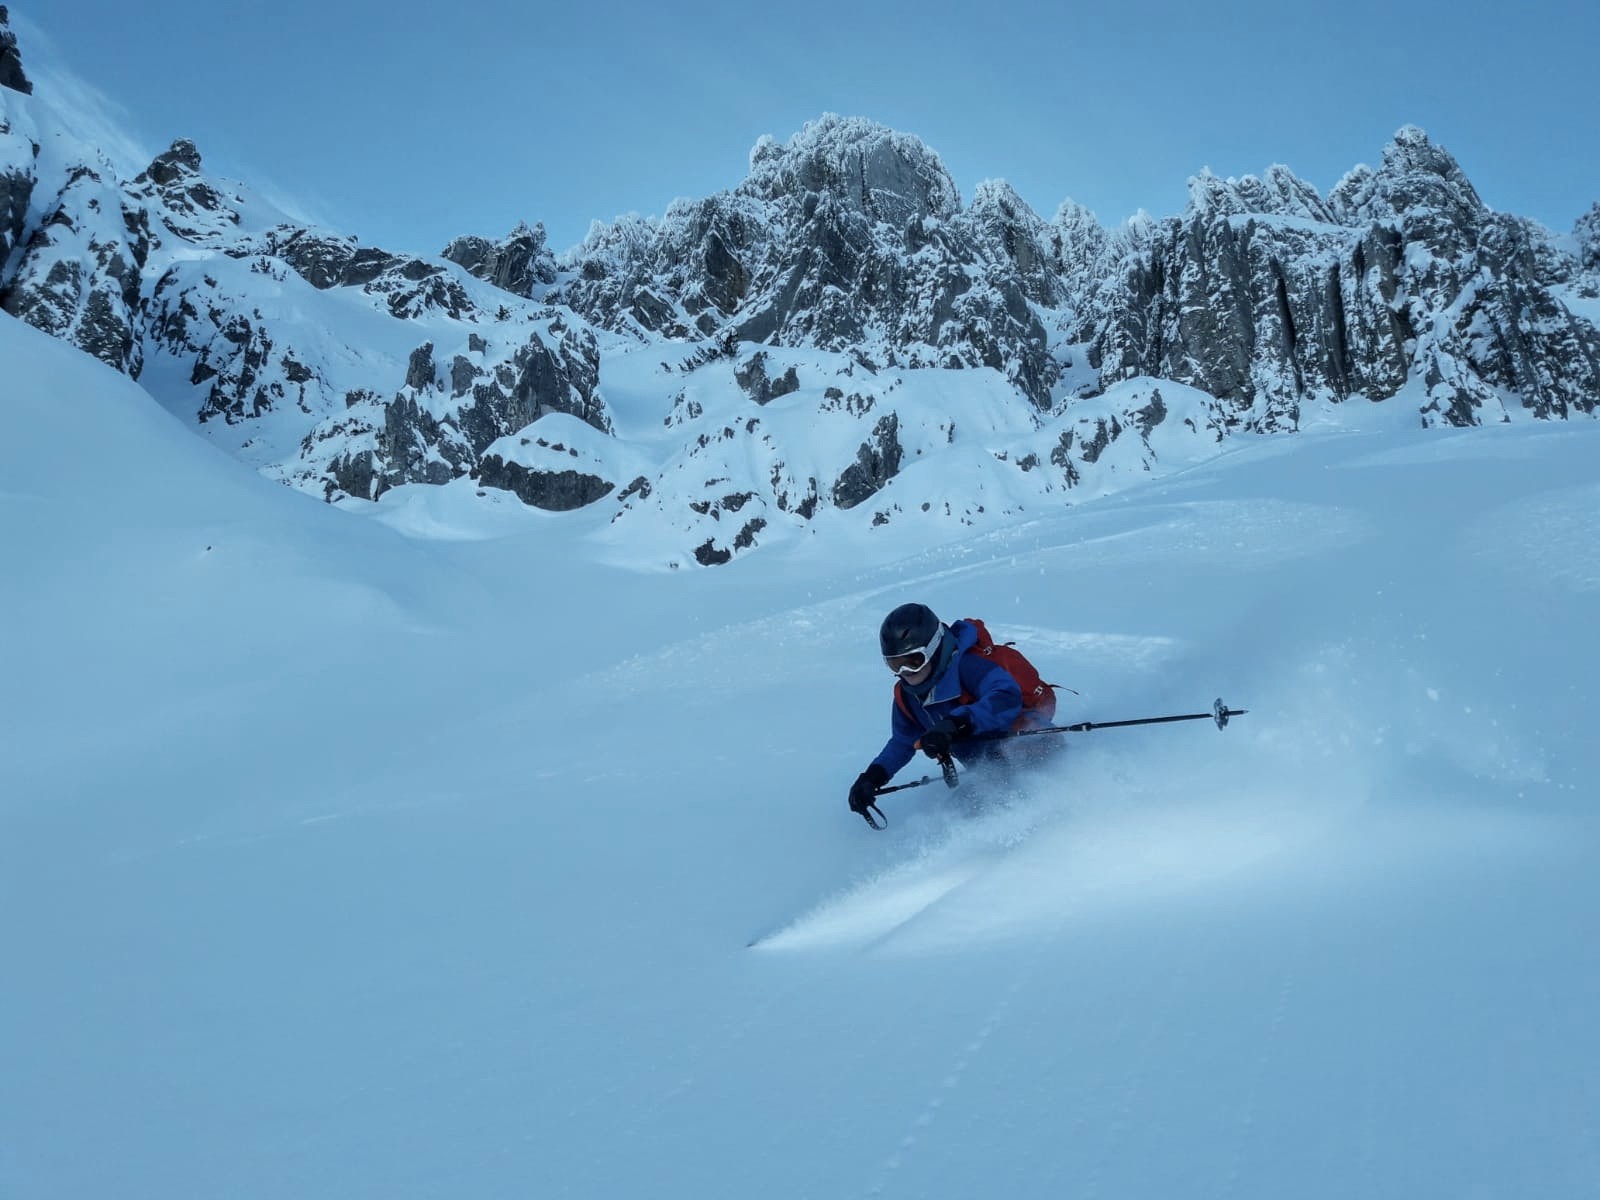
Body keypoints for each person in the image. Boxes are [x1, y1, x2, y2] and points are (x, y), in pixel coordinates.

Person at [847, 602, 1055, 818]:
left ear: (933, 647)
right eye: (895, 664)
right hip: (991, 772)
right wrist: (872, 777)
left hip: (1034, 750)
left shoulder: (966, 666)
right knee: (952, 815)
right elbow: (902, 742)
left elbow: (1006, 695)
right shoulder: (909, 697)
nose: (905, 671)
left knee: (1020, 803)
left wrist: (956, 723)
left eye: (913, 661)